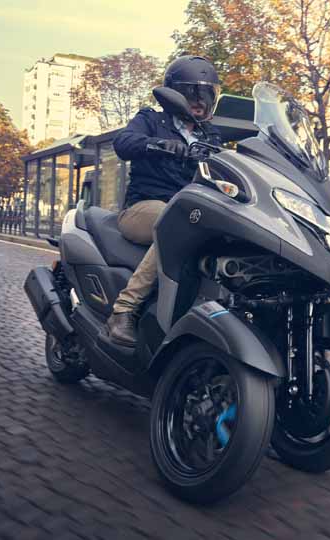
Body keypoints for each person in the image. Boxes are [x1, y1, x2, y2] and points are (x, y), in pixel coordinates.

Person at [105, 55, 223, 347]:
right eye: (191, 93)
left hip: (193, 212)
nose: (199, 101)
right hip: (143, 208)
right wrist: (157, 144)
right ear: (173, 94)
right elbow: (123, 142)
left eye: (206, 94)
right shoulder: (151, 120)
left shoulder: (211, 135)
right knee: (176, 222)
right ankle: (124, 309)